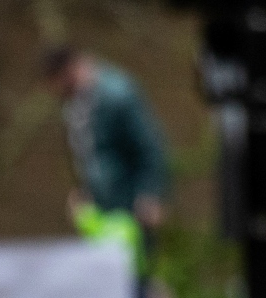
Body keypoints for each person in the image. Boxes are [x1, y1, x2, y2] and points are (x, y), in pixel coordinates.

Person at [43, 45, 173, 242]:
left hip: (129, 203)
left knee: (134, 266)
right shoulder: (75, 102)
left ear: (67, 72)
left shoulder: (118, 95)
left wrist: (150, 194)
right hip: (100, 207)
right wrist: (84, 191)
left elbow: (150, 146)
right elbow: (88, 151)